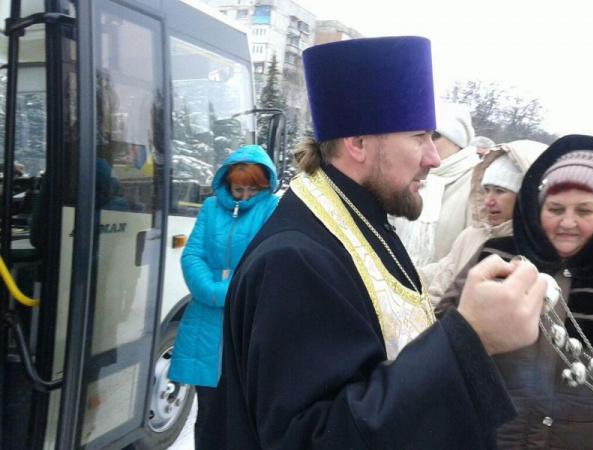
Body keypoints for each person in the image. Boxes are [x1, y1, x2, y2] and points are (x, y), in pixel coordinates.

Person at [202, 36, 547, 449]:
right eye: (419, 136)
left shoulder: (360, 219)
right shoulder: (295, 260)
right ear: (358, 143)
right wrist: (469, 339)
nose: (434, 158)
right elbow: (315, 439)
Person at [436, 135, 593, 449]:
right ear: (537, 209)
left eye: (584, 211)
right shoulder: (498, 257)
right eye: (555, 208)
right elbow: (443, 343)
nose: (568, 222)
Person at [168, 145, 279, 440]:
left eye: (252, 189)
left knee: (242, 418)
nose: (244, 196)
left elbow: (270, 261)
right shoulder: (210, 208)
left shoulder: (273, 209)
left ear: (265, 186)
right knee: (207, 414)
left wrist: (231, 292)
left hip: (247, 322)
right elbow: (193, 255)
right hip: (206, 319)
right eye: (238, 188)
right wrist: (214, 291)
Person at [421, 140, 547, 305]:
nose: (488, 201)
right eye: (486, 190)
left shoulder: (542, 249)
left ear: (526, 197)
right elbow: (437, 295)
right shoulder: (469, 237)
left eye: (500, 191)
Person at [391, 101, 479, 266]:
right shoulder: (407, 173)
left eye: (435, 136)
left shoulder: (477, 184)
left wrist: (417, 280)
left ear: (457, 142)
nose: (427, 145)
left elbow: (469, 258)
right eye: (419, 136)